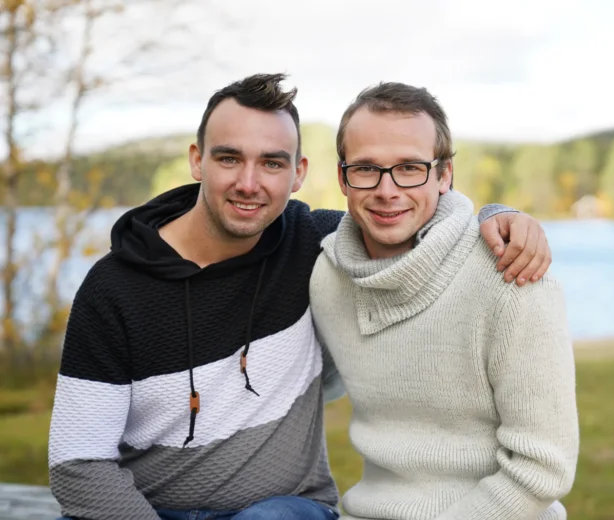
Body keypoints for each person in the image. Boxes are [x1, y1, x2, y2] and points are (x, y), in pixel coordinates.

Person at [47, 73, 554, 520]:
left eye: (272, 163)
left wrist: (500, 217)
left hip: (283, 510)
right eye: (229, 158)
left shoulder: (318, 245)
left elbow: (415, 218)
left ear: (299, 174)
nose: (249, 183)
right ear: (198, 161)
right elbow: (77, 464)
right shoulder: (113, 288)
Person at [309, 82, 580, 520]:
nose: (387, 189)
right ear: (343, 178)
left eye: (410, 168)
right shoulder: (328, 275)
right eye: (366, 168)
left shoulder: (512, 276)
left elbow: (541, 470)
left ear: (444, 174)